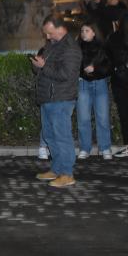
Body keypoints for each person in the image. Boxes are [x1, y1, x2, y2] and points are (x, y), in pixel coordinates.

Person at [31, 15, 83, 188]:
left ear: (60, 28)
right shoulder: (52, 45)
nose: (47, 36)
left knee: (62, 136)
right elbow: (43, 67)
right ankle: (57, 168)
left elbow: (65, 75)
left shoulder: (71, 48)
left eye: (49, 32)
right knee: (49, 135)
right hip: (49, 97)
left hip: (61, 99)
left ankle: (67, 173)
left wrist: (43, 66)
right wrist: (38, 64)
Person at [106, 10, 128, 158]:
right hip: (120, 82)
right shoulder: (114, 38)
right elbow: (110, 59)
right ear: (126, 23)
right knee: (125, 115)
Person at [76, 22, 112, 160]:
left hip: (100, 83)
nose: (84, 33)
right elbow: (73, 66)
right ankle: (85, 148)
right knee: (83, 118)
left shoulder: (103, 47)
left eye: (87, 30)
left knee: (102, 117)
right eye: (82, 30)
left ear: (94, 32)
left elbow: (109, 66)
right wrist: (82, 71)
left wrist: (95, 69)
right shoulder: (77, 47)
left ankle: (105, 147)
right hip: (83, 84)